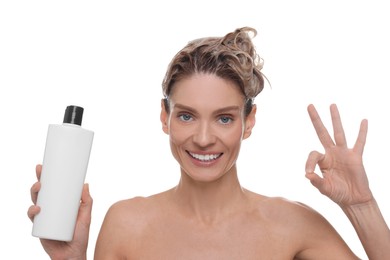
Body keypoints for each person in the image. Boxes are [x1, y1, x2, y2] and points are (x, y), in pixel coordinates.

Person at [28, 27, 390, 259]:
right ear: (163, 117)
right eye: (186, 115)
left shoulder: (292, 225)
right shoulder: (126, 224)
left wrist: (361, 206)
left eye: (224, 118)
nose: (203, 139)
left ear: (249, 122)